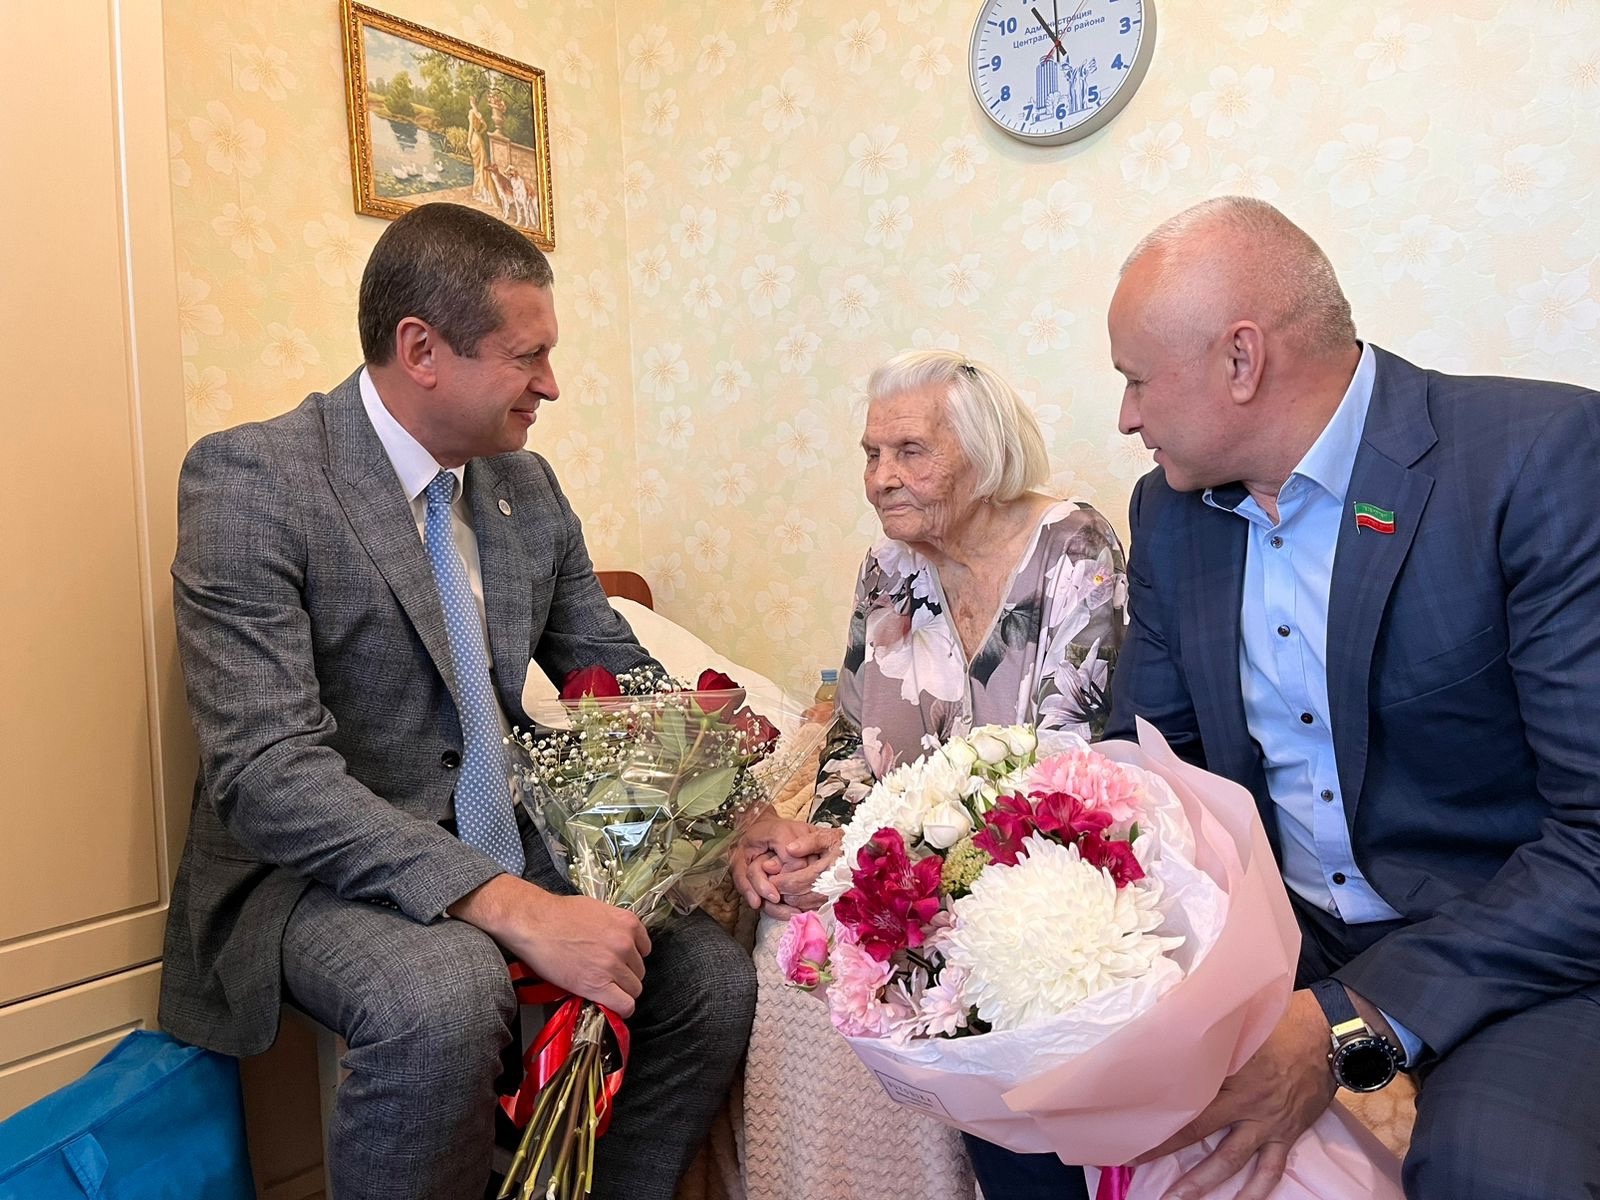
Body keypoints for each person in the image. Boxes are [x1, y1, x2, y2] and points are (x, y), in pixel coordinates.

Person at [158, 203, 756, 1200]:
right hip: (307, 868)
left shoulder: (526, 486)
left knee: (706, 978)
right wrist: (516, 906)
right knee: (446, 993)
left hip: (506, 832)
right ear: (421, 350)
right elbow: (266, 772)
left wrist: (741, 806)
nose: (552, 385)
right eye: (528, 356)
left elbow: (611, 664)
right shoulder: (255, 480)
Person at [1104, 196, 1600, 1200]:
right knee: (1034, 1082)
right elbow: (1149, 767)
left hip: (1516, 936)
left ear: (1241, 360)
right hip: (1283, 930)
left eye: (1136, 380)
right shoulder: (1170, 512)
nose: (1125, 417)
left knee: (1495, 1174)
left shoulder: (1535, 457)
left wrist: (1344, 1020)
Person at [732, 349, 1125, 1200]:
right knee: (789, 949)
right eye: (871, 454)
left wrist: (894, 869)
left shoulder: (1073, 547)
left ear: (986, 454)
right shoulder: (888, 568)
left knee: (954, 969)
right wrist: (823, 842)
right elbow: (850, 735)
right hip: (895, 861)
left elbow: (1073, 760)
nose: (881, 478)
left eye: (910, 451)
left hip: (1028, 869)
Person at [468, 95, 490, 204]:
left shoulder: (472, 112)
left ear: (471, 102)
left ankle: (477, 191)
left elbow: (470, 128)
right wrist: (479, 132)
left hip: (474, 139)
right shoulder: (479, 113)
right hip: (479, 138)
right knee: (481, 164)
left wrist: (468, 141)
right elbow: (485, 126)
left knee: (477, 167)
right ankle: (481, 190)